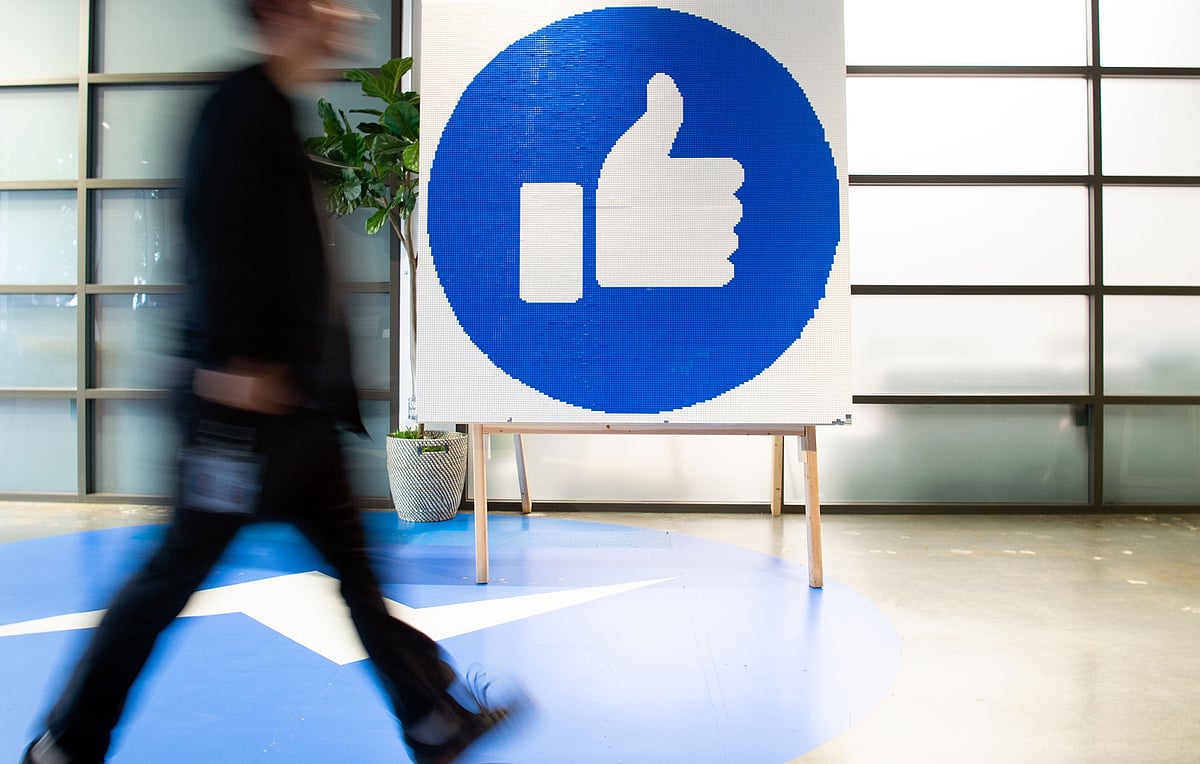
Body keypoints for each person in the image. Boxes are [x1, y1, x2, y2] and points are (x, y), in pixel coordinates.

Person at [21, 2, 525, 763]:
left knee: (358, 576)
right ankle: (67, 743)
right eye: (324, 6)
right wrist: (230, 370)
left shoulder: (275, 114)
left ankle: (433, 719)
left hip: (298, 416)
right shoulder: (236, 109)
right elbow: (209, 235)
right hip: (240, 418)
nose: (343, 18)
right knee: (170, 579)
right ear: (283, 14)